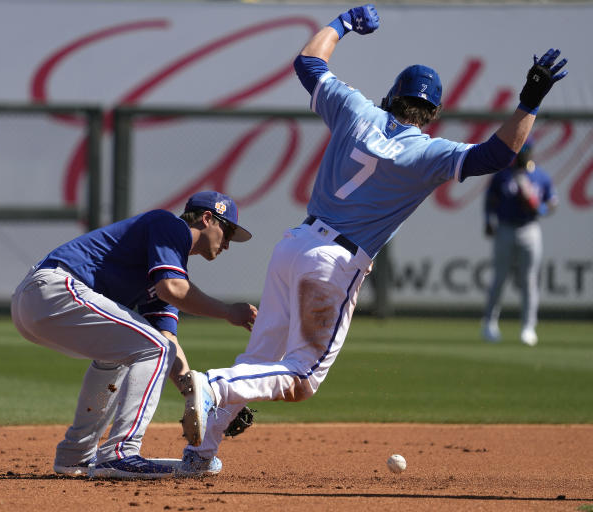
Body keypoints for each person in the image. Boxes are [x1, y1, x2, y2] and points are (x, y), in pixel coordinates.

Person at [177, 4, 569, 475]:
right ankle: (213, 387)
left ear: (390, 96)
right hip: (334, 263)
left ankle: (201, 452)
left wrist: (343, 23)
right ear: (433, 113)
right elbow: (498, 154)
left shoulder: (355, 108)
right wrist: (530, 99)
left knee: (260, 357)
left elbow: (308, 62)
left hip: (293, 244)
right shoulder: (428, 152)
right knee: (301, 376)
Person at [10, 190, 257, 479]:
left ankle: (75, 454)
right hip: (53, 290)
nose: (228, 243)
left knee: (119, 356)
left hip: (38, 303)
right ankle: (120, 452)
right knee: (155, 348)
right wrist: (229, 312)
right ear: (206, 218)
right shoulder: (169, 226)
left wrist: (201, 400)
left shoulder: (164, 267)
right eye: (227, 231)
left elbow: (170, 339)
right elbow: (173, 292)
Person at [481, 138, 558, 346]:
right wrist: (488, 221)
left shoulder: (539, 175)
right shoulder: (503, 175)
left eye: (526, 150)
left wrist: (538, 209)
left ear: (532, 151)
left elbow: (552, 202)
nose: (523, 154)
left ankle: (528, 327)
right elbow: (490, 200)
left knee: (529, 280)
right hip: (505, 227)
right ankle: (489, 323)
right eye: (520, 150)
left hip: (529, 229)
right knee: (499, 277)